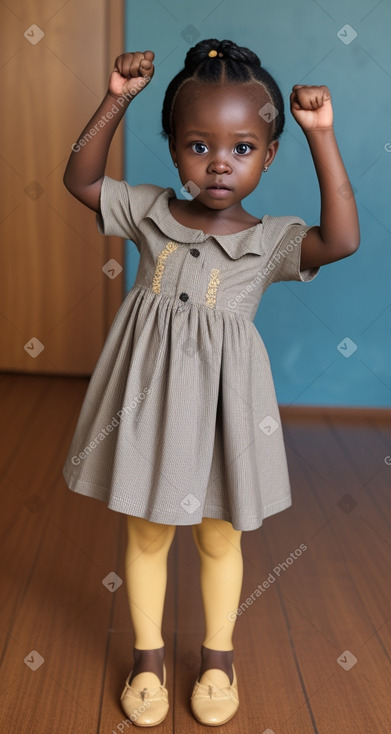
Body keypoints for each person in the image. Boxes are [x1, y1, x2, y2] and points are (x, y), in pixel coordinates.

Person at [62, 38, 360, 727]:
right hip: (145, 406)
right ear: (172, 148)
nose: (219, 162)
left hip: (226, 411)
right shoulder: (149, 212)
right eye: (198, 146)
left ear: (268, 153)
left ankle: (218, 656)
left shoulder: (273, 241)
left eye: (242, 148)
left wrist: (321, 134)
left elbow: (341, 239)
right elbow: (81, 181)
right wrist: (115, 98)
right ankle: (146, 658)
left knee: (220, 536)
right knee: (146, 531)